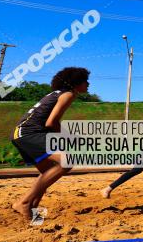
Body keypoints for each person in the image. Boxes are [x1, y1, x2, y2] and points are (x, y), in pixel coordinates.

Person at [10, 67, 91, 220]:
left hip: (22, 133)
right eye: (85, 81)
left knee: (47, 174)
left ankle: (35, 218)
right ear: (76, 83)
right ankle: (23, 202)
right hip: (29, 133)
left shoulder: (56, 94)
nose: (88, 84)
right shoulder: (68, 94)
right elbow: (51, 122)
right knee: (67, 161)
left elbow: (49, 123)